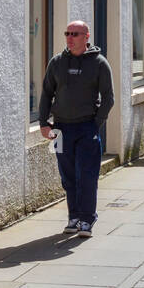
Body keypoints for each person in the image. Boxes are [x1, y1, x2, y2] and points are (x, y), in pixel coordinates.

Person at [39, 20, 114, 237]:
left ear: (86, 37)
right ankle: (73, 217)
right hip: (61, 129)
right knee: (67, 176)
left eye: (75, 34)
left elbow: (109, 98)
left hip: (86, 127)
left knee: (87, 176)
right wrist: (44, 123)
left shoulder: (99, 63)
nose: (70, 38)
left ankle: (87, 219)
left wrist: (95, 123)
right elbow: (46, 94)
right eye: (67, 33)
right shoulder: (57, 63)